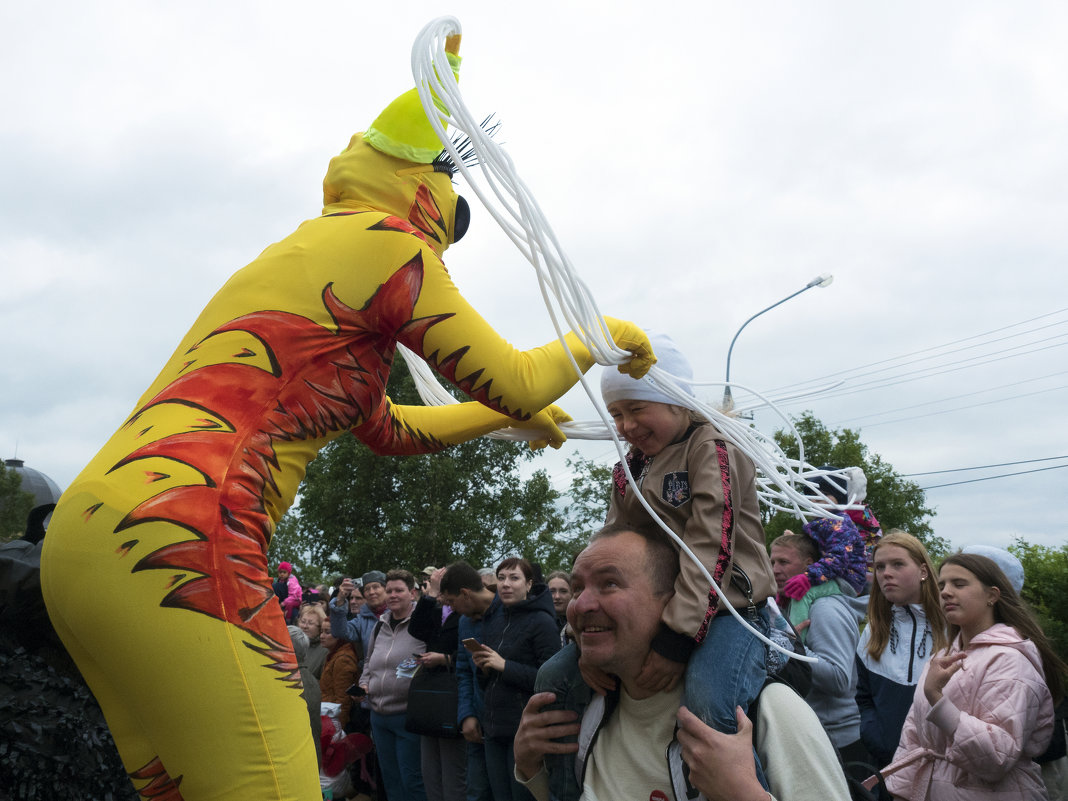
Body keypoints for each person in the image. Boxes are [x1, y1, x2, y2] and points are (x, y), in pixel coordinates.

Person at [38, 32, 656, 801]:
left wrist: (500, 423)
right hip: (183, 535)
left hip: (83, 540)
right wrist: (609, 337)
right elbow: (515, 377)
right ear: (425, 189)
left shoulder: (305, 257)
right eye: (453, 213)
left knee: (173, 790)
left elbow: (388, 427)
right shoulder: (387, 245)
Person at [544, 333, 777, 784]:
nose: (626, 425)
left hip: (730, 608)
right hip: (658, 605)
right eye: (616, 414)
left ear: (674, 400)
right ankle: (563, 789)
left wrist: (676, 638)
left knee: (711, 700)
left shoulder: (713, 448)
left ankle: (745, 788)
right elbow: (611, 542)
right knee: (554, 678)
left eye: (636, 409)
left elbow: (713, 544)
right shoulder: (631, 466)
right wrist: (583, 632)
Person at [517, 526, 850, 801]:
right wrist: (531, 768)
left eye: (610, 584)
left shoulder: (765, 710)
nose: (582, 604)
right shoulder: (581, 704)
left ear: (673, 602)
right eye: (577, 588)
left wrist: (745, 795)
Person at [881, 552, 1064, 800]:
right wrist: (900, 793)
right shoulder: (943, 656)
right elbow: (913, 739)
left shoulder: (1010, 661)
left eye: (959, 584)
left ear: (992, 596)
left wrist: (937, 698)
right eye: (942, 585)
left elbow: (998, 758)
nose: (945, 592)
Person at [769, 532, 868, 770]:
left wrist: (790, 647)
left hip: (838, 741)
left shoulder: (824, 608)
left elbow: (838, 679)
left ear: (809, 565)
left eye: (784, 562)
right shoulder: (792, 605)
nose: (775, 569)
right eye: (772, 562)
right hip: (811, 734)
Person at [855, 530, 947, 769]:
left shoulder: (954, 629)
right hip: (886, 766)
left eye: (898, 564)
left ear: (923, 571)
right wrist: (876, 739)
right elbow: (863, 697)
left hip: (944, 768)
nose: (886, 573)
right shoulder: (873, 631)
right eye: (879, 566)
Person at [473, 557, 560, 801]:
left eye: (514, 578)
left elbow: (550, 680)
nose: (505, 584)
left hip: (524, 731)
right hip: (493, 729)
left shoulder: (542, 622)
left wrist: (504, 666)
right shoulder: (496, 619)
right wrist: (483, 667)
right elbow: (487, 680)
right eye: (501, 578)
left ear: (529, 584)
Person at [360, 569, 427, 801]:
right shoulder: (380, 625)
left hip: (408, 715)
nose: (392, 595)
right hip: (378, 715)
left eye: (399, 590)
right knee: (390, 780)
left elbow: (427, 659)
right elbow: (369, 661)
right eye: (389, 591)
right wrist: (364, 683)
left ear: (413, 593)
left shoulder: (423, 623)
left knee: (413, 781)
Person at [440, 562, 500, 801]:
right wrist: (466, 714)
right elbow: (463, 671)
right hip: (478, 726)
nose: (452, 609)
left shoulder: (507, 613)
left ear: (465, 593)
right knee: (476, 793)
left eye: (452, 602)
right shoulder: (465, 623)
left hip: (508, 726)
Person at [408, 566, 466, 801]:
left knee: (454, 773)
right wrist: (430, 593)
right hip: (430, 696)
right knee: (430, 770)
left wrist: (445, 659)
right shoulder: (436, 609)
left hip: (453, 694)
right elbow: (416, 629)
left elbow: (475, 651)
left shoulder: (466, 612)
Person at [331, 570, 389, 665]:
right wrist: (340, 599)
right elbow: (339, 632)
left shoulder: (399, 613)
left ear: (386, 589)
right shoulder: (362, 619)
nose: (371, 592)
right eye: (367, 589)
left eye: (376, 587)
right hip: (372, 676)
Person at [319, 617, 361, 730]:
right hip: (328, 715)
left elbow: (343, 700)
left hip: (334, 720)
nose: (322, 636)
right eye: (321, 631)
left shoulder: (343, 659)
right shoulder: (334, 655)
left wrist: (337, 729)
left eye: (327, 632)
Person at [297, 602, 329, 679]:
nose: (305, 626)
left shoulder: (325, 651)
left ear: (320, 628)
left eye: (310, 623)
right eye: (303, 621)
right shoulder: (292, 644)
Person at [545, 570, 571, 643]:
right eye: (552, 591)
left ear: (572, 593)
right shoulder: (535, 623)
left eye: (563, 591)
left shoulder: (580, 623)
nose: (557, 596)